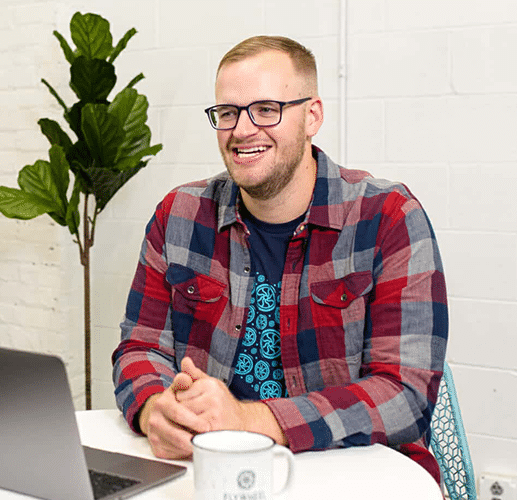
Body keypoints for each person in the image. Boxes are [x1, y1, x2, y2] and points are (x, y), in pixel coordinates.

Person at [111, 35, 447, 483]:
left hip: (359, 477)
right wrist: (158, 407)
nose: (243, 130)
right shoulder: (179, 215)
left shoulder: (387, 217)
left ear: (312, 116)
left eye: (266, 109)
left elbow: (403, 394)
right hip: (218, 473)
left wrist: (249, 421)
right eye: (227, 113)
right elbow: (140, 347)